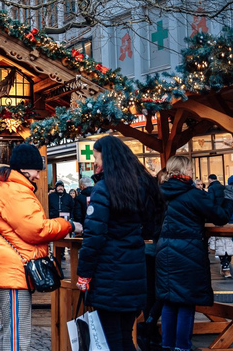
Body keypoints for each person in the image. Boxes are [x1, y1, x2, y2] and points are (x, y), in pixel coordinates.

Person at [0, 144, 79, 351]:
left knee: (9, 330)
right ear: (26, 169)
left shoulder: (9, 187)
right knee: (17, 334)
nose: (37, 175)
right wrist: (68, 225)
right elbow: (36, 229)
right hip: (13, 271)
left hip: (11, 269)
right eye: (37, 170)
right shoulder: (15, 191)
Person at [76, 135, 161, 351]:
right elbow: (152, 226)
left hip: (109, 274)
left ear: (108, 158)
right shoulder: (141, 187)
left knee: (112, 339)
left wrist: (84, 275)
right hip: (134, 272)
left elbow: (94, 238)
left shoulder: (104, 190)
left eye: (97, 158)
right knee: (125, 338)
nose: (95, 163)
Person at [156, 155, 233, 351]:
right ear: (184, 171)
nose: (192, 172)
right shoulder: (193, 194)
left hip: (164, 252)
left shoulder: (161, 192)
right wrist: (229, 196)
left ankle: (167, 345)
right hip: (188, 253)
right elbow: (220, 217)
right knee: (186, 302)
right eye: (190, 169)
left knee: (169, 301)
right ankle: (182, 347)